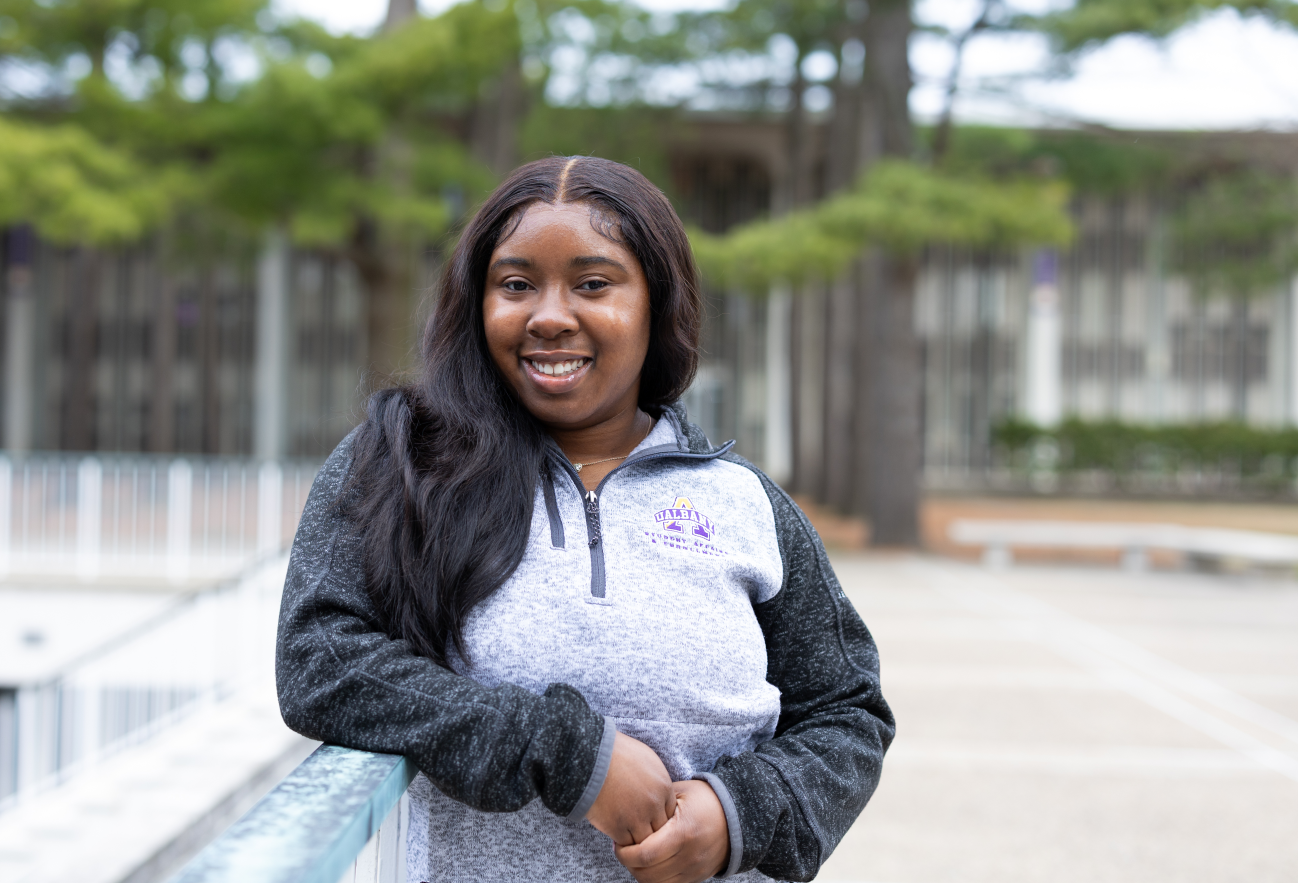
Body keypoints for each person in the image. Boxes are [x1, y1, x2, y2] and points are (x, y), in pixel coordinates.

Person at [276, 155, 894, 883]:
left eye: (593, 284)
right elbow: (319, 658)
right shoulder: (404, 463)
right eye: (515, 284)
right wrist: (571, 756)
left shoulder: (745, 502)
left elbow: (849, 710)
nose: (548, 316)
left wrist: (739, 815)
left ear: (657, 304)